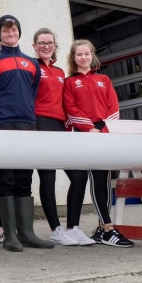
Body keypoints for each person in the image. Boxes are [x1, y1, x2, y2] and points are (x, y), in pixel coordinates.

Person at [0, 16, 55, 252]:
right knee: (5, 179)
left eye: (13, 29)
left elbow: (32, 92)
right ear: (0, 35)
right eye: (5, 30)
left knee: (24, 178)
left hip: (27, 124)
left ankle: (27, 233)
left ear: (19, 33)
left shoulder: (31, 64)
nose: (10, 33)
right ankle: (10, 235)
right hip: (2, 123)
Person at [62, 39, 135, 248]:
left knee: (104, 178)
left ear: (92, 56)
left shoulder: (104, 79)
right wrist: (89, 129)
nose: (83, 58)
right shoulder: (69, 83)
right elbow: (71, 109)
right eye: (79, 54)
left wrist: (104, 129)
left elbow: (113, 106)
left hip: (105, 133)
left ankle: (104, 228)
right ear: (73, 58)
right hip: (86, 135)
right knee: (95, 177)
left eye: (86, 54)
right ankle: (108, 227)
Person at [31, 28, 94, 246]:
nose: (46, 46)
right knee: (48, 177)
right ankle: (55, 229)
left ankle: (73, 227)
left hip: (61, 127)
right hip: (40, 124)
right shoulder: (31, 67)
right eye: (41, 43)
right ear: (35, 46)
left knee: (79, 175)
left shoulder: (60, 73)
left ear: (55, 46)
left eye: (50, 42)